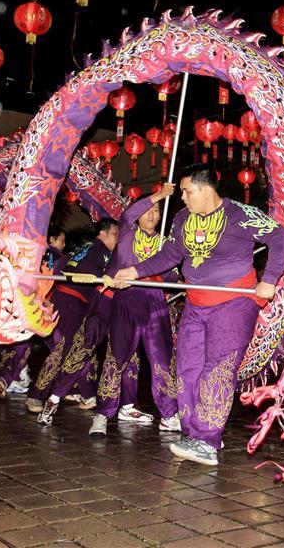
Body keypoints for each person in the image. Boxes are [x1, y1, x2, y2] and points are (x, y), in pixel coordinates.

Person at [114, 164, 284, 466]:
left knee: (216, 370)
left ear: (206, 189)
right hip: (196, 305)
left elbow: (280, 237)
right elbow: (169, 255)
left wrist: (269, 279)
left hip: (234, 303)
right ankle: (196, 433)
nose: (182, 197)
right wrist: (134, 271)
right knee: (187, 369)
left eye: (187, 191)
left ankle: (207, 442)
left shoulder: (241, 215)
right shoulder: (182, 220)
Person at [73, 184, 180, 434]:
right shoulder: (127, 233)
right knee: (116, 357)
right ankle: (102, 414)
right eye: (148, 209)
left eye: (156, 211)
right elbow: (128, 215)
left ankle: (169, 414)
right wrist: (159, 195)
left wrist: (164, 275)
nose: (152, 214)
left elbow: (173, 275)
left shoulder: (165, 243)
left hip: (154, 303)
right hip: (126, 300)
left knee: (162, 359)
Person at [26, 220, 118, 412]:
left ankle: (88, 394)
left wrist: (52, 294)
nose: (117, 240)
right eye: (115, 234)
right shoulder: (104, 252)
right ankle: (36, 395)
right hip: (72, 302)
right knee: (64, 349)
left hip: (67, 299)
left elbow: (59, 264)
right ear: (103, 233)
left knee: (81, 349)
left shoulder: (85, 247)